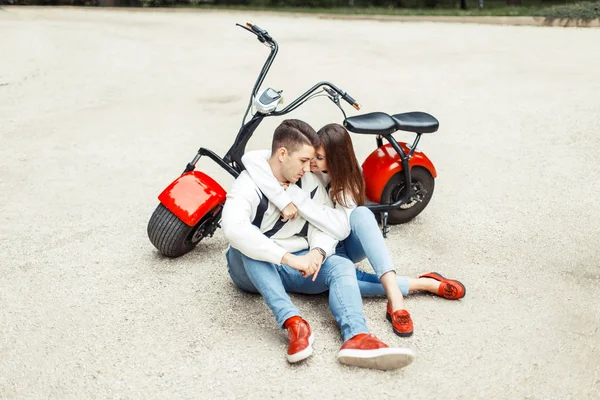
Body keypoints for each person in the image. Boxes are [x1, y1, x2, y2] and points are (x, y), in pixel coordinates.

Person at [222, 119, 415, 370]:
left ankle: (357, 336)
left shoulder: (310, 182)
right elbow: (234, 228)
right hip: (252, 270)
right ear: (282, 154)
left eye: (312, 160)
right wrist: (290, 258)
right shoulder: (248, 185)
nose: (309, 167)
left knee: (341, 265)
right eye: (303, 160)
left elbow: (325, 226)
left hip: (299, 264)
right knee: (247, 245)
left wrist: (317, 251)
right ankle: (294, 324)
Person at [241, 123, 466, 338]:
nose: (310, 163)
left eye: (318, 158)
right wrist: (282, 198)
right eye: (311, 157)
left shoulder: (348, 180)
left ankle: (395, 297)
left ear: (336, 160)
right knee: (347, 283)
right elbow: (252, 158)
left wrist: (297, 200)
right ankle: (425, 283)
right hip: (320, 244)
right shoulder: (304, 168)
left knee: (362, 214)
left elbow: (340, 228)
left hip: (346, 243)